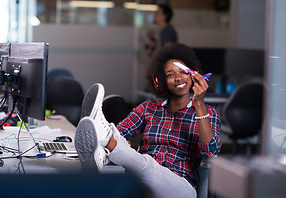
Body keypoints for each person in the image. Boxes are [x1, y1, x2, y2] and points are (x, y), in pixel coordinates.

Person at [75, 43, 221, 198]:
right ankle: (105, 147)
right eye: (170, 75)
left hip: (180, 186)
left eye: (183, 72)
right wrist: (121, 140)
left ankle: (106, 146)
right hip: (141, 182)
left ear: (192, 74)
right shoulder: (148, 108)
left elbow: (210, 152)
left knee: (144, 164)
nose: (178, 78)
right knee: (124, 152)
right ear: (162, 81)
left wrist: (199, 105)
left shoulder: (208, 112)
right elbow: (121, 131)